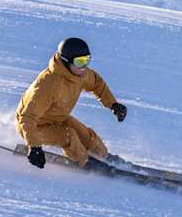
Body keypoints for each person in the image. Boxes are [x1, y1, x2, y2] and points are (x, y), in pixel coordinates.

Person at [15, 37, 128, 169]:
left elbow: (97, 84)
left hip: (58, 118)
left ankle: (104, 157)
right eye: (80, 62)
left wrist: (113, 104)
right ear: (65, 61)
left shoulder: (80, 74)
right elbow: (27, 117)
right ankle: (85, 163)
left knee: (87, 137)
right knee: (69, 136)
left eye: (87, 60)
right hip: (35, 127)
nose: (84, 66)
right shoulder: (48, 84)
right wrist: (34, 147)